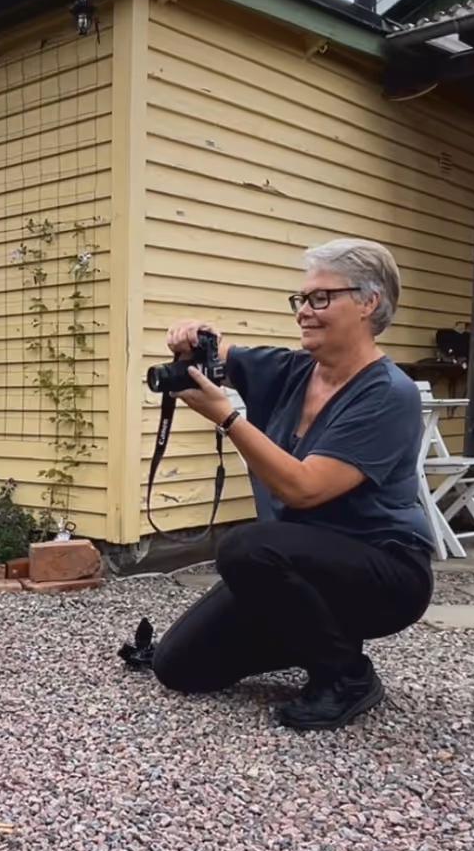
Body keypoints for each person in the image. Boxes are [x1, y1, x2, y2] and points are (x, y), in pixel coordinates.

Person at [128, 238, 434, 731]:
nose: (304, 313)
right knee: (178, 666)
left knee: (245, 547)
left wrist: (227, 418)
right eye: (301, 300)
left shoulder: (387, 393)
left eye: (320, 299)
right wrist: (195, 337)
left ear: (368, 302)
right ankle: (318, 637)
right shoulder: (292, 371)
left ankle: (347, 676)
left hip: (383, 574)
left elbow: (305, 489)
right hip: (299, 565)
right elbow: (221, 351)